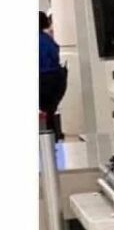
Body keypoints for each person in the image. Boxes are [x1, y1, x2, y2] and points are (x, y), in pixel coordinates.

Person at [39, 11, 67, 140]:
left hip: (43, 80)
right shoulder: (47, 39)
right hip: (56, 79)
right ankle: (53, 138)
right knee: (49, 112)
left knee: (45, 113)